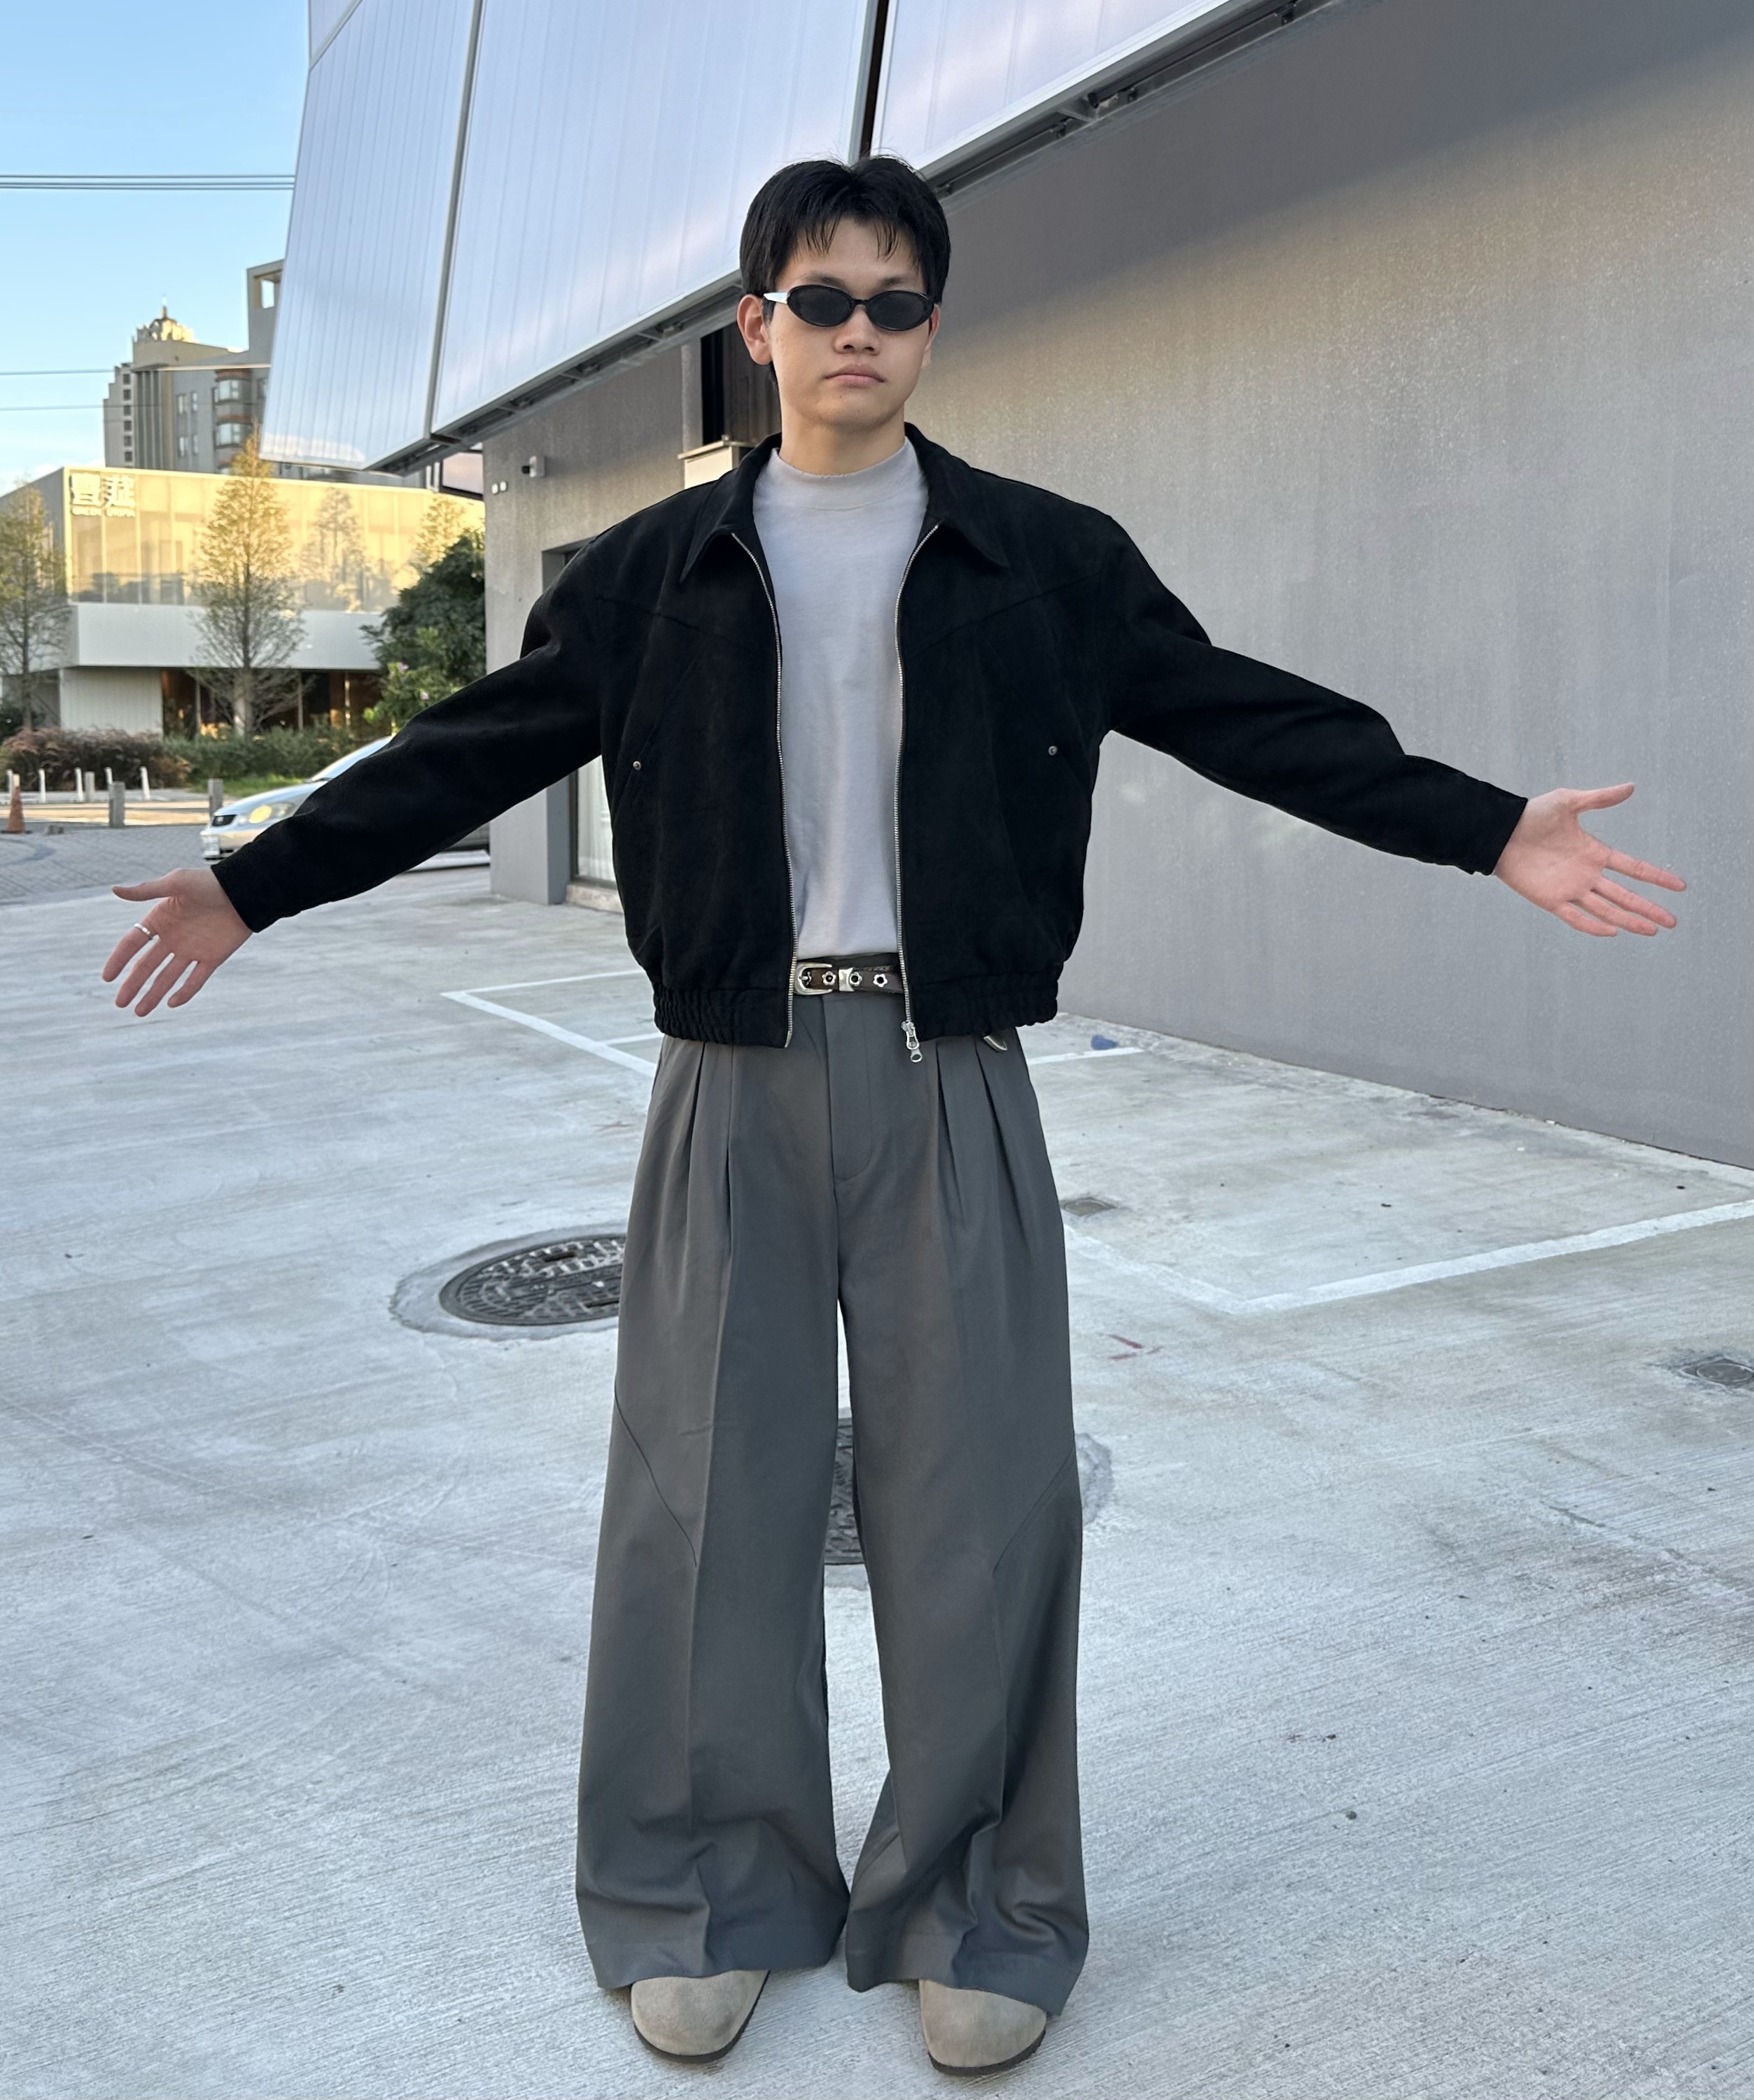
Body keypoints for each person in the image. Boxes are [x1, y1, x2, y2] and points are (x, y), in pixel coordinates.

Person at [102, 156, 1684, 2076]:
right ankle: (704, 1894)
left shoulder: (1042, 557)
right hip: (729, 1075)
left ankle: (980, 1907)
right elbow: (467, 756)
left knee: (981, 1504)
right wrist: (254, 881)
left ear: (933, 325)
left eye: (896, 302)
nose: (859, 332)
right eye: (821, 299)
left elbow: (1242, 713)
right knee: (704, 1499)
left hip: (951, 1075)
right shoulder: (648, 574)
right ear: (754, 325)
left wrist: (1485, 826)